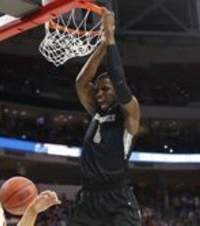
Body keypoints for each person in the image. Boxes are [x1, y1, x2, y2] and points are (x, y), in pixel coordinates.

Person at [68, 8, 141, 226]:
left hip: (116, 199)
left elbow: (119, 80)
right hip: (88, 198)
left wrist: (110, 37)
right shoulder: (96, 112)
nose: (99, 94)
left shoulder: (129, 113)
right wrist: (101, 46)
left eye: (105, 89)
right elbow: (81, 83)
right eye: (98, 90)